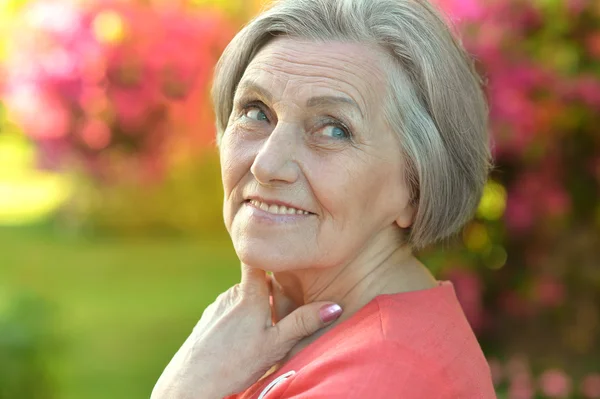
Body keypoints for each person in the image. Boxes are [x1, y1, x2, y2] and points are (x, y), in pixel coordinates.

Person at [151, 0, 496, 397]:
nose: (267, 164)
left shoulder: (379, 380)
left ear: (416, 186)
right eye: (256, 111)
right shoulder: (279, 340)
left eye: (333, 130)